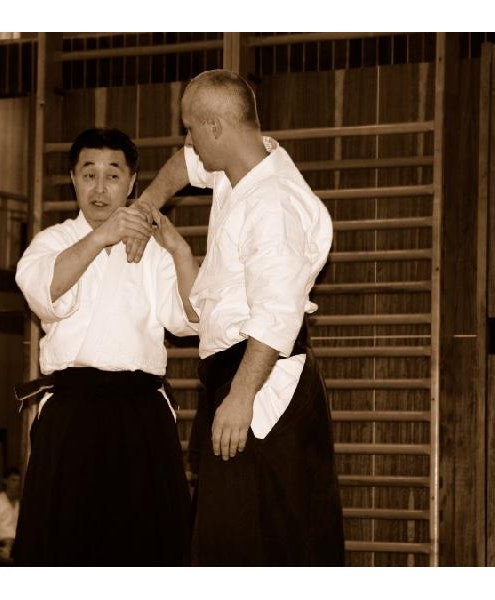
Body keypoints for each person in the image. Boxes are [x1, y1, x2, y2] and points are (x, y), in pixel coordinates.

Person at [128, 69, 345, 566]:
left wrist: (241, 396)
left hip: (261, 379)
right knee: (226, 537)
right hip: (233, 371)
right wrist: (144, 207)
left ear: (215, 127)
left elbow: (277, 314)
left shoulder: (274, 204)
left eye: (190, 129)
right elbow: (184, 166)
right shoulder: (239, 169)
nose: (188, 141)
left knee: (263, 539)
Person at [13, 127, 198, 565]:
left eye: (113, 175)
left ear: (132, 182)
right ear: (73, 179)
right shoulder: (51, 242)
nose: (100, 188)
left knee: (149, 546)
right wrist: (100, 238)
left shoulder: (154, 251)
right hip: (71, 409)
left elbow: (193, 318)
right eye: (88, 174)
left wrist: (179, 251)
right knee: (65, 544)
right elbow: (45, 295)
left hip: (141, 409)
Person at [0, 467, 21, 552]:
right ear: (5, 481)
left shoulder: (20, 504)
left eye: (19, 481)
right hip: (0, 544)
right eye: (14, 480)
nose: (17, 484)